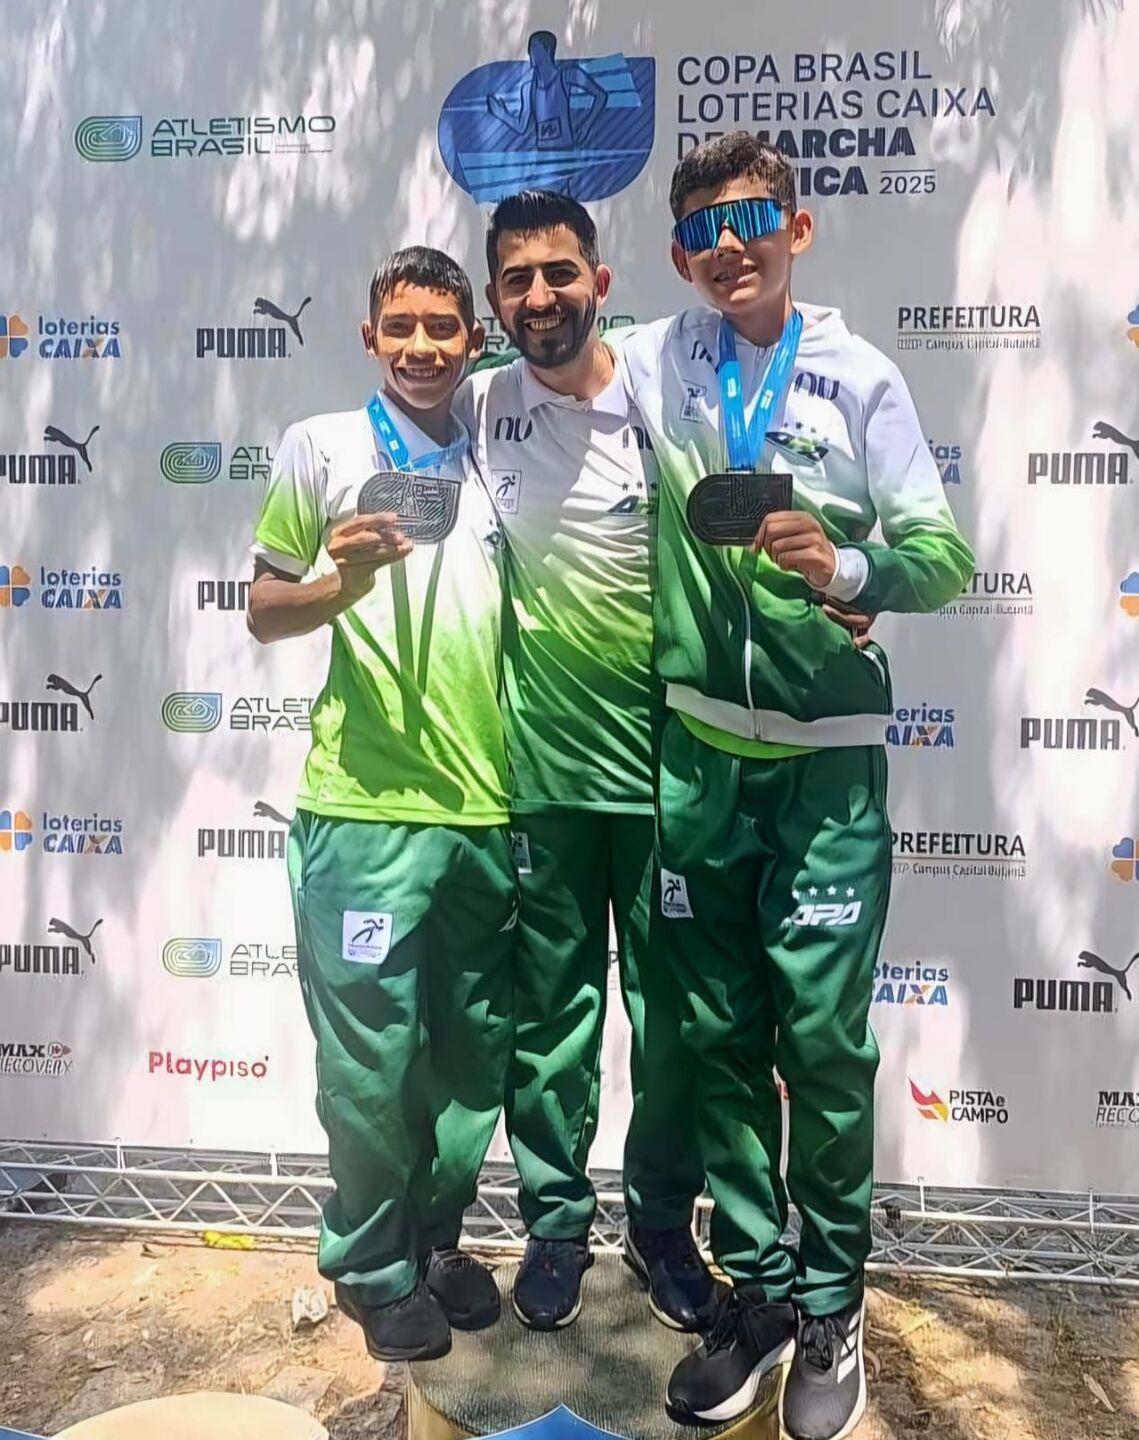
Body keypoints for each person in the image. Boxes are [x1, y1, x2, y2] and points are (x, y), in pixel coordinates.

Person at [618, 134, 975, 1439]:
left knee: (820, 1049)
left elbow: (941, 557)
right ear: (679, 257)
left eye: (752, 219)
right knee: (718, 1044)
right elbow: (535, 364)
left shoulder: (860, 376)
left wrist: (846, 570)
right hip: (698, 763)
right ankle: (760, 1294)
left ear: (798, 229)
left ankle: (832, 1304)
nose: (731, 246)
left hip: (824, 775)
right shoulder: (658, 362)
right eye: (704, 230)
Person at [246, 246, 516, 1364]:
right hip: (363, 812)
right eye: (400, 327)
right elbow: (264, 608)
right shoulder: (320, 447)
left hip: (490, 810)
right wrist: (338, 583)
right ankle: (367, 1263)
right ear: (370, 337)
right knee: (370, 1065)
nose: (420, 347)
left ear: (473, 340)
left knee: (471, 1059)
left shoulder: (502, 448)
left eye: (442, 328)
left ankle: (433, 1240)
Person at [454, 190, 716, 1334]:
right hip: (543, 781)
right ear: (494, 300)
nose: (540, 296)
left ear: (601, 282)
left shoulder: (670, 391)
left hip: (669, 779)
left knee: (674, 1024)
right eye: (516, 280)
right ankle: (557, 1226)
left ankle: (663, 1228)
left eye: (559, 273)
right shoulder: (475, 405)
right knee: (550, 1020)